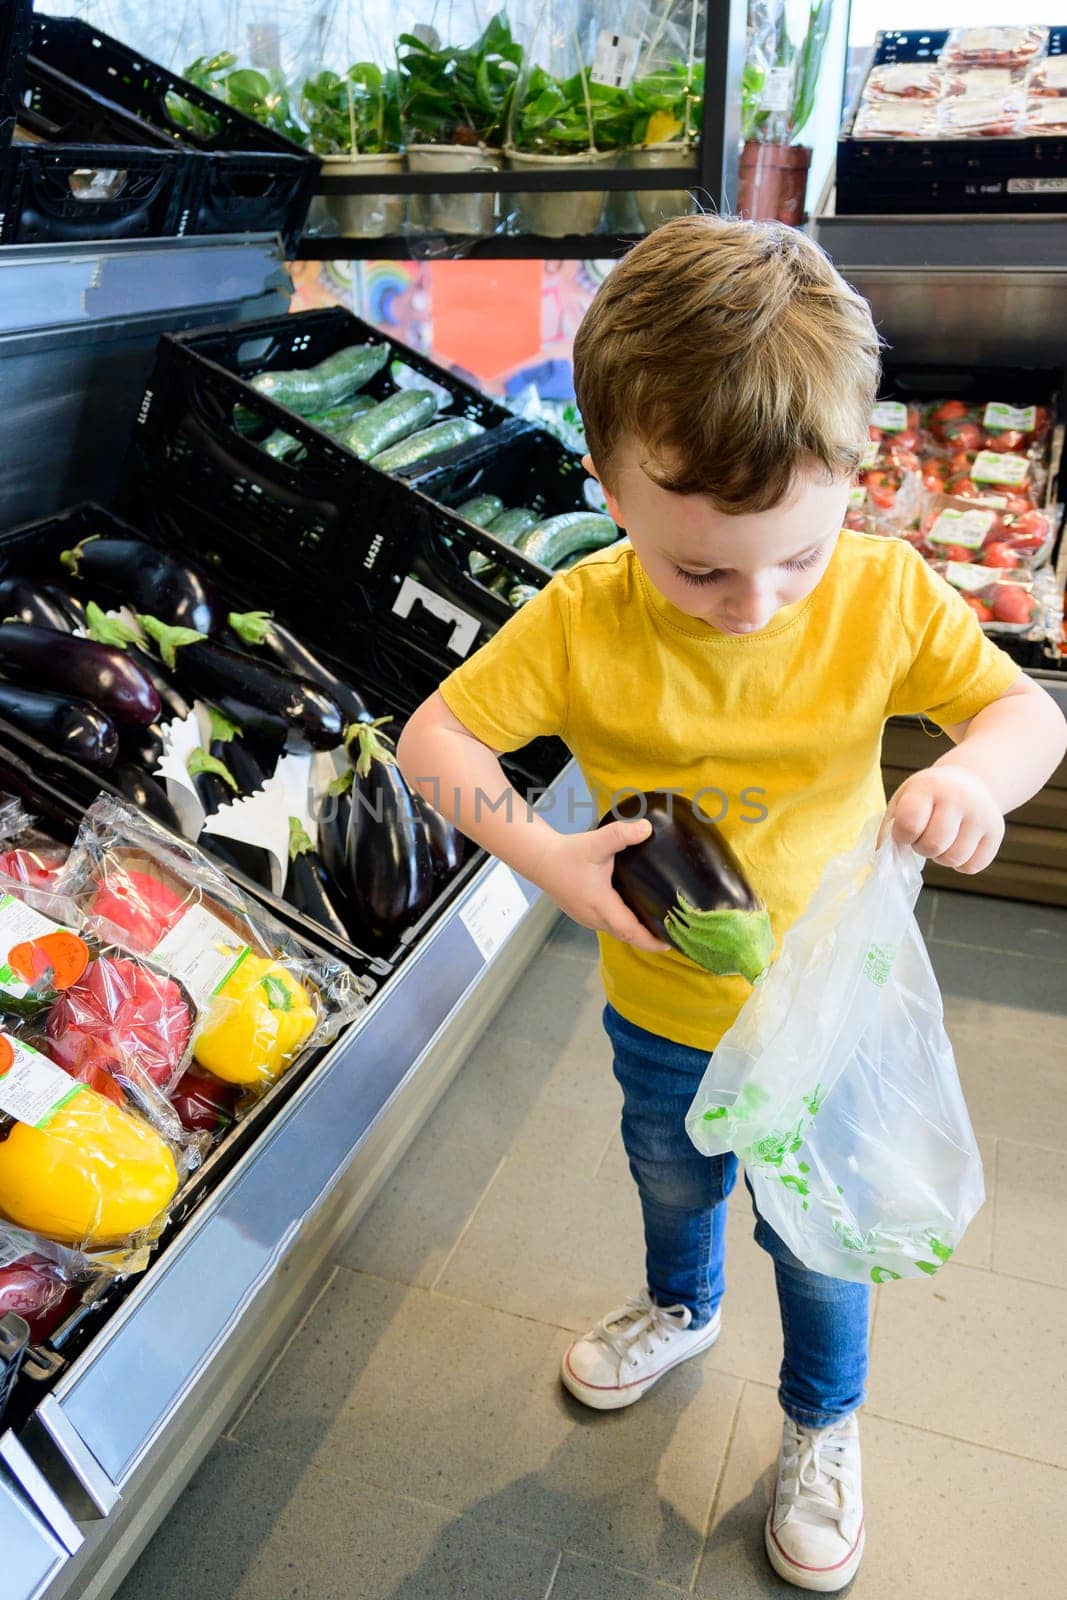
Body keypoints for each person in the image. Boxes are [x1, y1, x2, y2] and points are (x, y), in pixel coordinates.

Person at [395, 215, 1066, 1592]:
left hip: (829, 1022)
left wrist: (979, 784)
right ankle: (681, 1303)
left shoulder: (881, 593)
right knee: (671, 1170)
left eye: (796, 559)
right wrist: (551, 856)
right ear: (610, 486)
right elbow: (435, 745)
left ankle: (822, 1424)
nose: (753, 605)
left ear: (852, 482)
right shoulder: (584, 617)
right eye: (700, 569)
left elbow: (1022, 710)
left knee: (821, 1244)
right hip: (661, 1009)